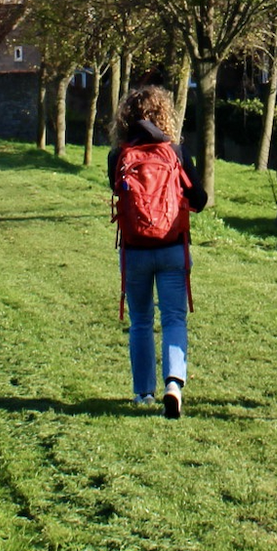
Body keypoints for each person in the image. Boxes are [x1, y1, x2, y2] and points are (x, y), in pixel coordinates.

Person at [107, 84, 206, 418]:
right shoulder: (175, 152)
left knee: (140, 321)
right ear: (165, 114)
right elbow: (200, 199)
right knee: (174, 317)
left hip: (135, 249)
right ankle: (174, 382)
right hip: (172, 247)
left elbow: (115, 188)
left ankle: (143, 392)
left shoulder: (118, 155)